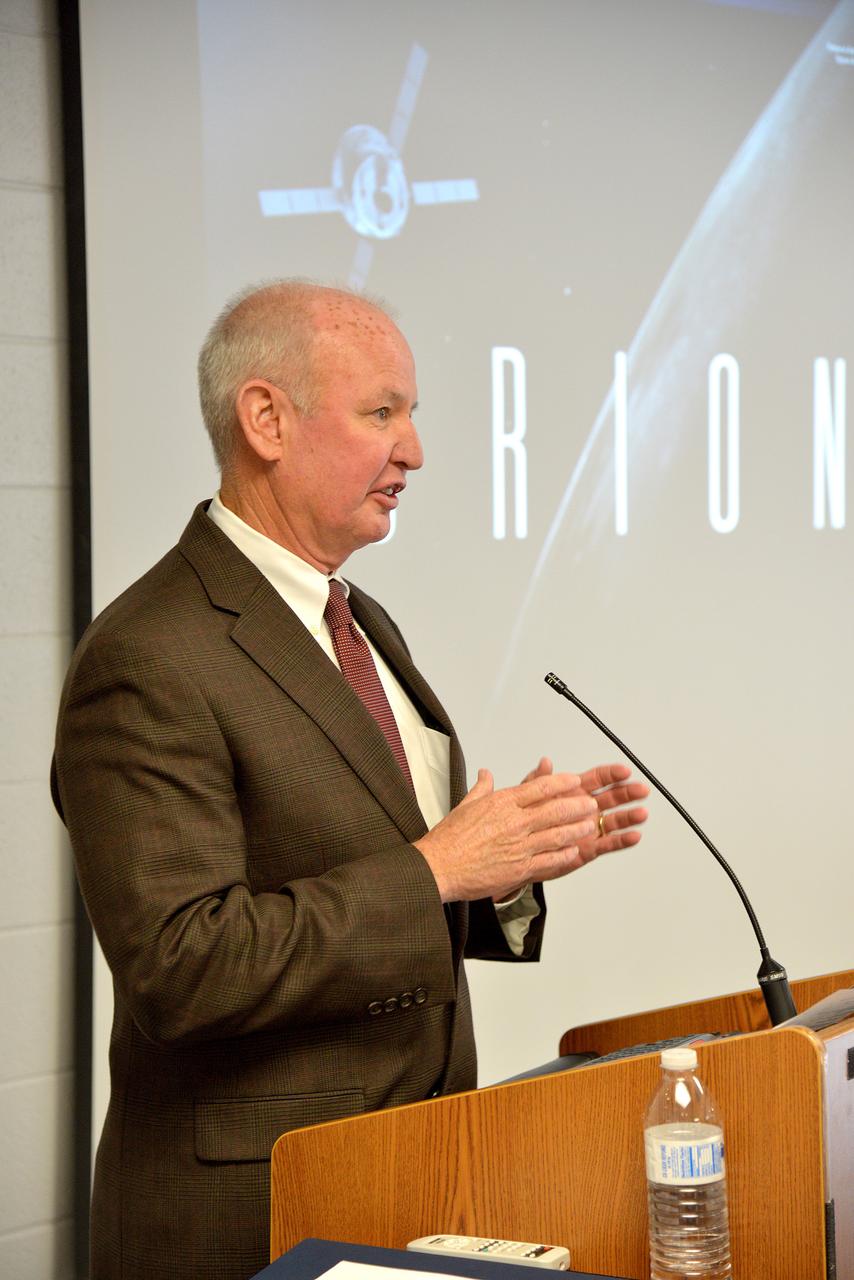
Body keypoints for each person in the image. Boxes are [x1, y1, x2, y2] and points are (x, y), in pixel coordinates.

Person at [52, 280, 649, 1280]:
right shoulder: (149, 653)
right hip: (252, 1215)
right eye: (381, 412)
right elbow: (180, 965)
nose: (413, 449)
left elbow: (396, 877)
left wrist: (507, 859)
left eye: (411, 413)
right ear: (266, 419)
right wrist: (437, 867)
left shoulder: (360, 620)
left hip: (411, 1182)